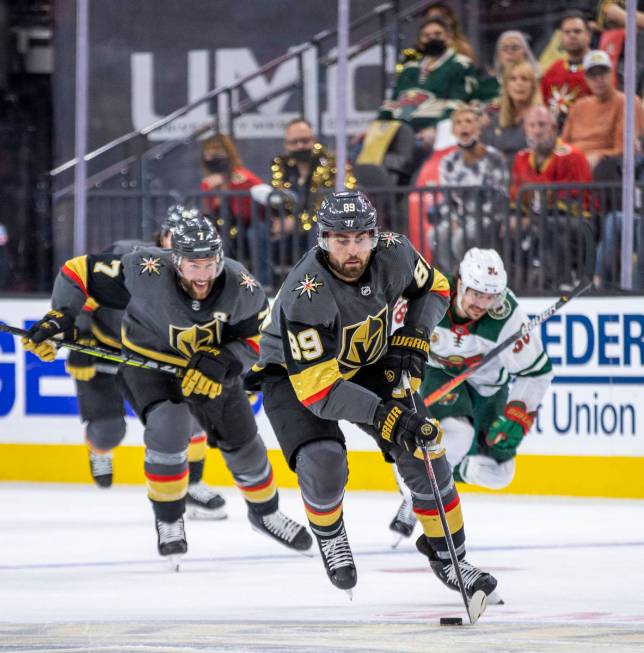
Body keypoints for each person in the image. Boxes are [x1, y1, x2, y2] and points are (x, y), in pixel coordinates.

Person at [23, 214, 312, 563]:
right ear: (175, 259)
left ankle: (265, 514)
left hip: (209, 370)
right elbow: (77, 271)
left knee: (245, 447)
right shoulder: (144, 269)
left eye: (209, 263)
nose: (203, 275)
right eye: (193, 264)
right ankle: (170, 520)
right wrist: (62, 317)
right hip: (149, 364)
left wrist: (226, 361)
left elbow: (256, 340)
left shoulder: (243, 286)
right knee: (169, 426)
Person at [255, 190, 499, 601]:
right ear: (323, 240)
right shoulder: (305, 295)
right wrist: (386, 415)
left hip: (365, 359)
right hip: (297, 377)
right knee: (323, 464)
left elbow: (436, 289)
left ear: (375, 235)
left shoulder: (395, 252)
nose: (352, 250)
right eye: (340, 240)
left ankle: (449, 558)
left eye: (361, 238)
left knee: (425, 449)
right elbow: (320, 393)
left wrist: (416, 333)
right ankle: (330, 534)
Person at [66, 206, 228, 519]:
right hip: (105, 349)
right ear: (161, 236)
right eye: (175, 236)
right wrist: (80, 338)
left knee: (192, 417)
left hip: (152, 360)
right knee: (107, 432)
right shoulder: (127, 257)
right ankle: (98, 449)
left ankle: (192, 485)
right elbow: (81, 289)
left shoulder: (204, 277)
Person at [389, 248, 553, 541]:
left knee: (502, 474)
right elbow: (392, 336)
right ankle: (418, 491)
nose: (482, 303)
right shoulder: (430, 296)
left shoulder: (506, 317)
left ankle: (445, 469)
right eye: (476, 293)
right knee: (459, 435)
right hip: (436, 372)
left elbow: (536, 373)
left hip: (489, 387)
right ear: (460, 283)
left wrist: (518, 416)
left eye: (490, 297)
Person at [510, 106, 592, 288]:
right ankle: (511, 287)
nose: (537, 130)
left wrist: (533, 219)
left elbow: (572, 201)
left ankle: (559, 283)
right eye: (532, 125)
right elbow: (518, 199)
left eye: (542, 125)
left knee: (551, 226)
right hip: (538, 221)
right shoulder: (521, 158)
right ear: (525, 129)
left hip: (577, 222)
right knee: (504, 228)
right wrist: (515, 218)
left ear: (554, 128)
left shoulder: (572, 156)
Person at [379, 16, 480, 150]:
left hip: (437, 130)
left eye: (438, 34)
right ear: (420, 40)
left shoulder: (460, 64)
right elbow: (391, 103)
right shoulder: (409, 68)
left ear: (448, 36)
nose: (432, 38)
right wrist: (376, 128)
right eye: (426, 35)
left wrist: (435, 127)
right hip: (400, 130)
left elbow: (458, 103)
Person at [266, 118, 356, 268]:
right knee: (258, 231)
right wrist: (281, 221)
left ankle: (316, 279)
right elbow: (278, 200)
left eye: (304, 140)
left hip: (324, 221)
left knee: (316, 231)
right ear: (286, 144)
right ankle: (265, 283)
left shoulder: (332, 163)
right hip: (289, 222)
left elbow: (333, 202)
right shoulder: (280, 165)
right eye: (294, 142)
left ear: (313, 140)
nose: (300, 146)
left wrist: (297, 223)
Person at [433, 106, 509, 272]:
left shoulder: (494, 158)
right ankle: (452, 276)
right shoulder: (448, 161)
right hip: (460, 218)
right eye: (458, 123)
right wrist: (453, 219)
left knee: (461, 237)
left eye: (469, 121)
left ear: (479, 127)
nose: (464, 126)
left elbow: (499, 196)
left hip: (488, 218)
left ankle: (472, 275)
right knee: (437, 234)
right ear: (453, 130)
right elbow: (447, 199)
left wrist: (467, 221)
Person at [200, 133, 271, 287]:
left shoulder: (245, 177)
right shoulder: (208, 183)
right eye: (210, 154)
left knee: (254, 233)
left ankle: (262, 282)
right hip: (227, 225)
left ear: (229, 154)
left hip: (254, 222)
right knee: (216, 235)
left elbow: (246, 211)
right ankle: (222, 282)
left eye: (218, 153)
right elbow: (212, 212)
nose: (214, 158)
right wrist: (216, 195)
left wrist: (228, 187)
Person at [561, 49, 644, 171]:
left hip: (606, 171)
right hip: (573, 166)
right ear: (586, 78)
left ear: (612, 73)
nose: (599, 79)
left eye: (603, 73)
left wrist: (599, 156)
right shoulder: (578, 106)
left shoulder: (628, 103)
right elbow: (563, 145)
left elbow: (624, 149)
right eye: (593, 75)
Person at [481, 61, 543, 169]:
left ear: (533, 86)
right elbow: (484, 152)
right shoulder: (493, 118)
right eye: (513, 79)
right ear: (506, 86)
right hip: (496, 176)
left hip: (529, 176)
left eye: (524, 79)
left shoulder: (542, 118)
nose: (519, 83)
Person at [540, 11, 593, 125]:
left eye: (577, 31)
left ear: (588, 35)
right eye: (567, 32)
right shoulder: (553, 70)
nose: (572, 35)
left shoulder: (600, 70)